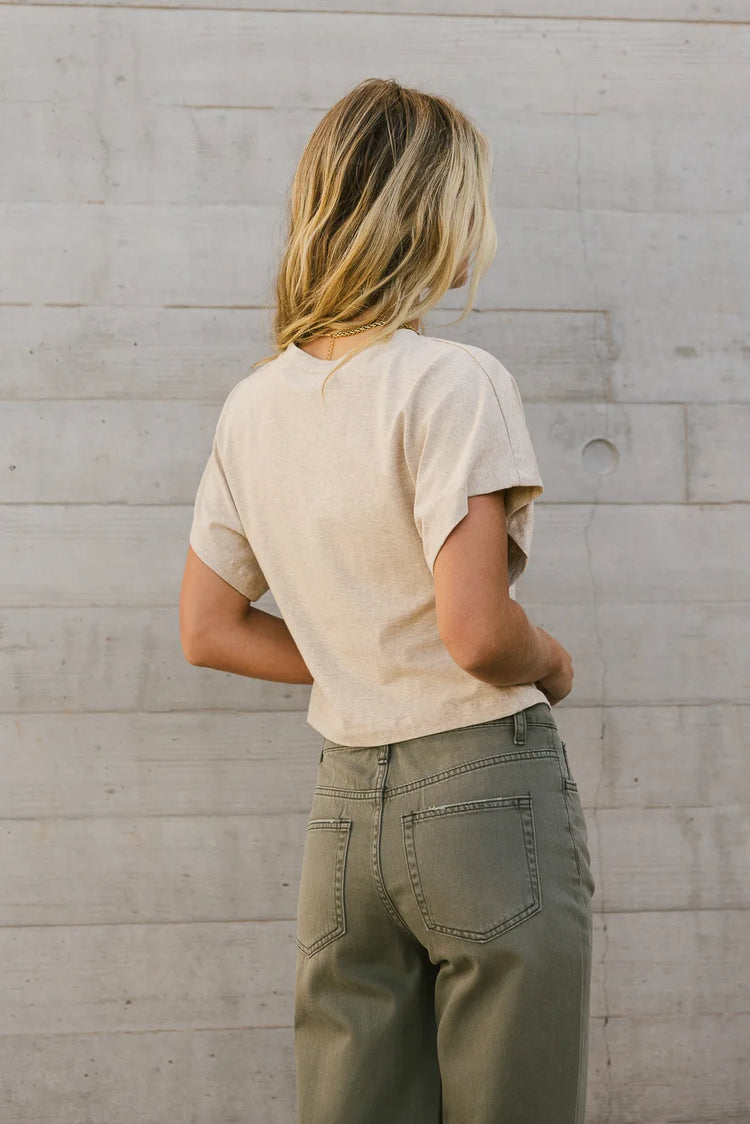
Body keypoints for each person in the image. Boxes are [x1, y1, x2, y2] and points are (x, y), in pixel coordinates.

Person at [180, 76, 594, 1124]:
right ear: (436, 215)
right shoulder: (454, 381)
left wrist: (360, 654)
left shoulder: (253, 405)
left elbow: (209, 627)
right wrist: (549, 658)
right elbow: (478, 632)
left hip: (344, 813)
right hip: (483, 790)